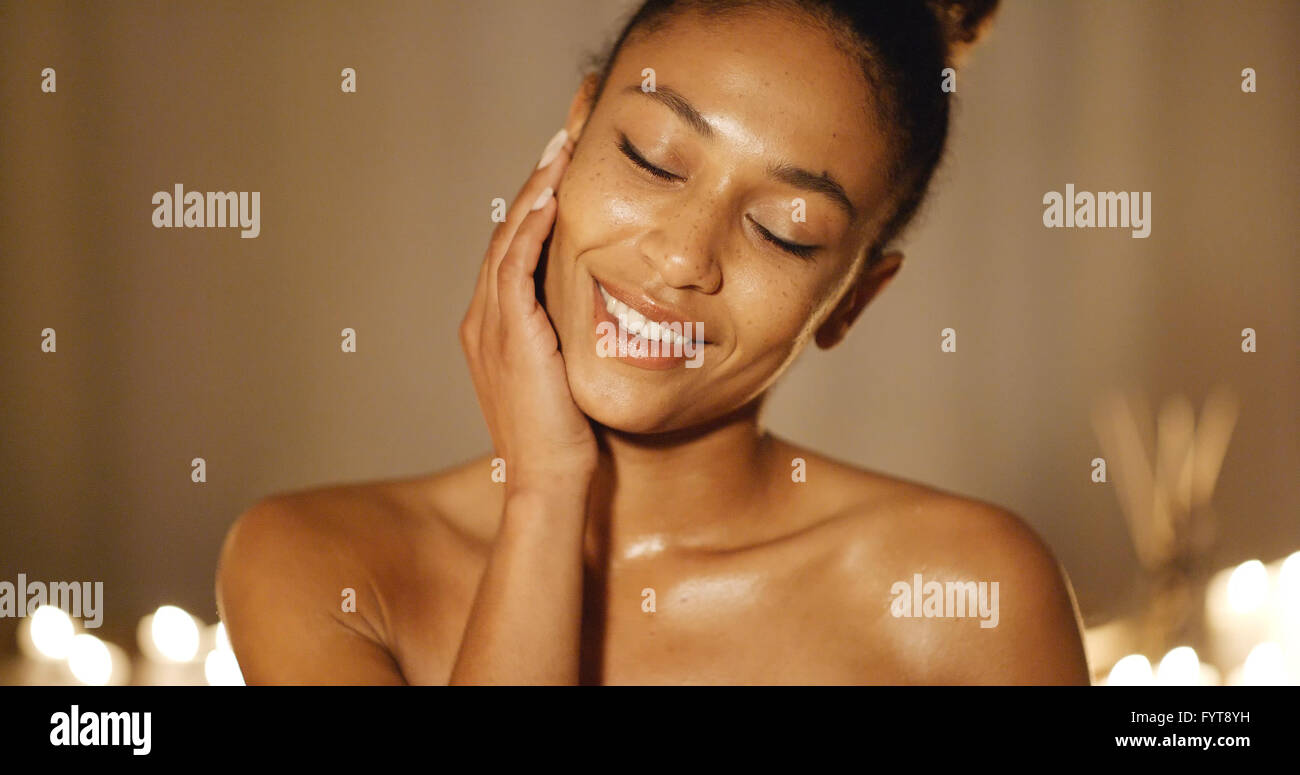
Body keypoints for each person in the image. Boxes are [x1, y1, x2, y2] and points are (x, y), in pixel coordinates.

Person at [217, 0, 1091, 685]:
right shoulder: (317, 561)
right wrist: (546, 494)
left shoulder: (971, 597)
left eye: (785, 232)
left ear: (851, 299)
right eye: (652, 158)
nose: (680, 258)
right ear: (577, 128)